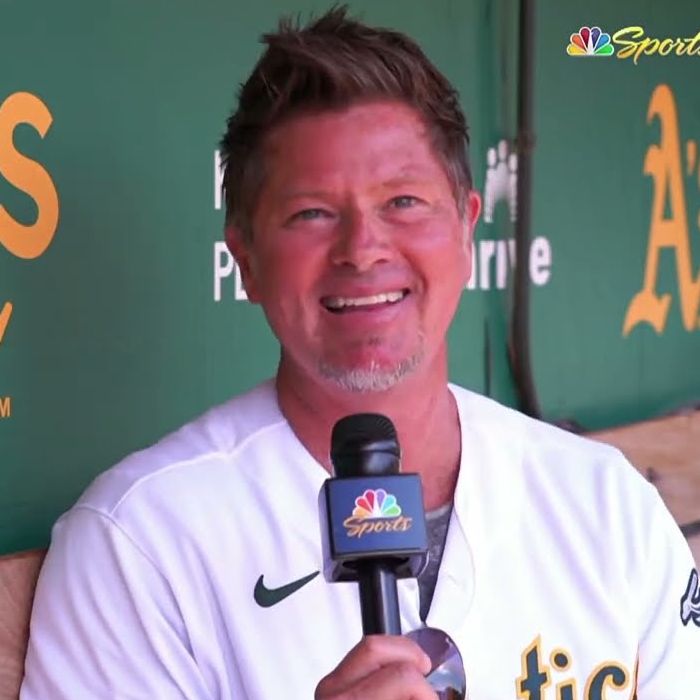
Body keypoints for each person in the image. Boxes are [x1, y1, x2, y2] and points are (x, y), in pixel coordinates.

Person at [21, 7, 698, 699]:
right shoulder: (140, 543)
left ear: (466, 230)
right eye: (312, 213)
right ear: (246, 260)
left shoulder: (607, 504)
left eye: (403, 201)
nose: (363, 249)